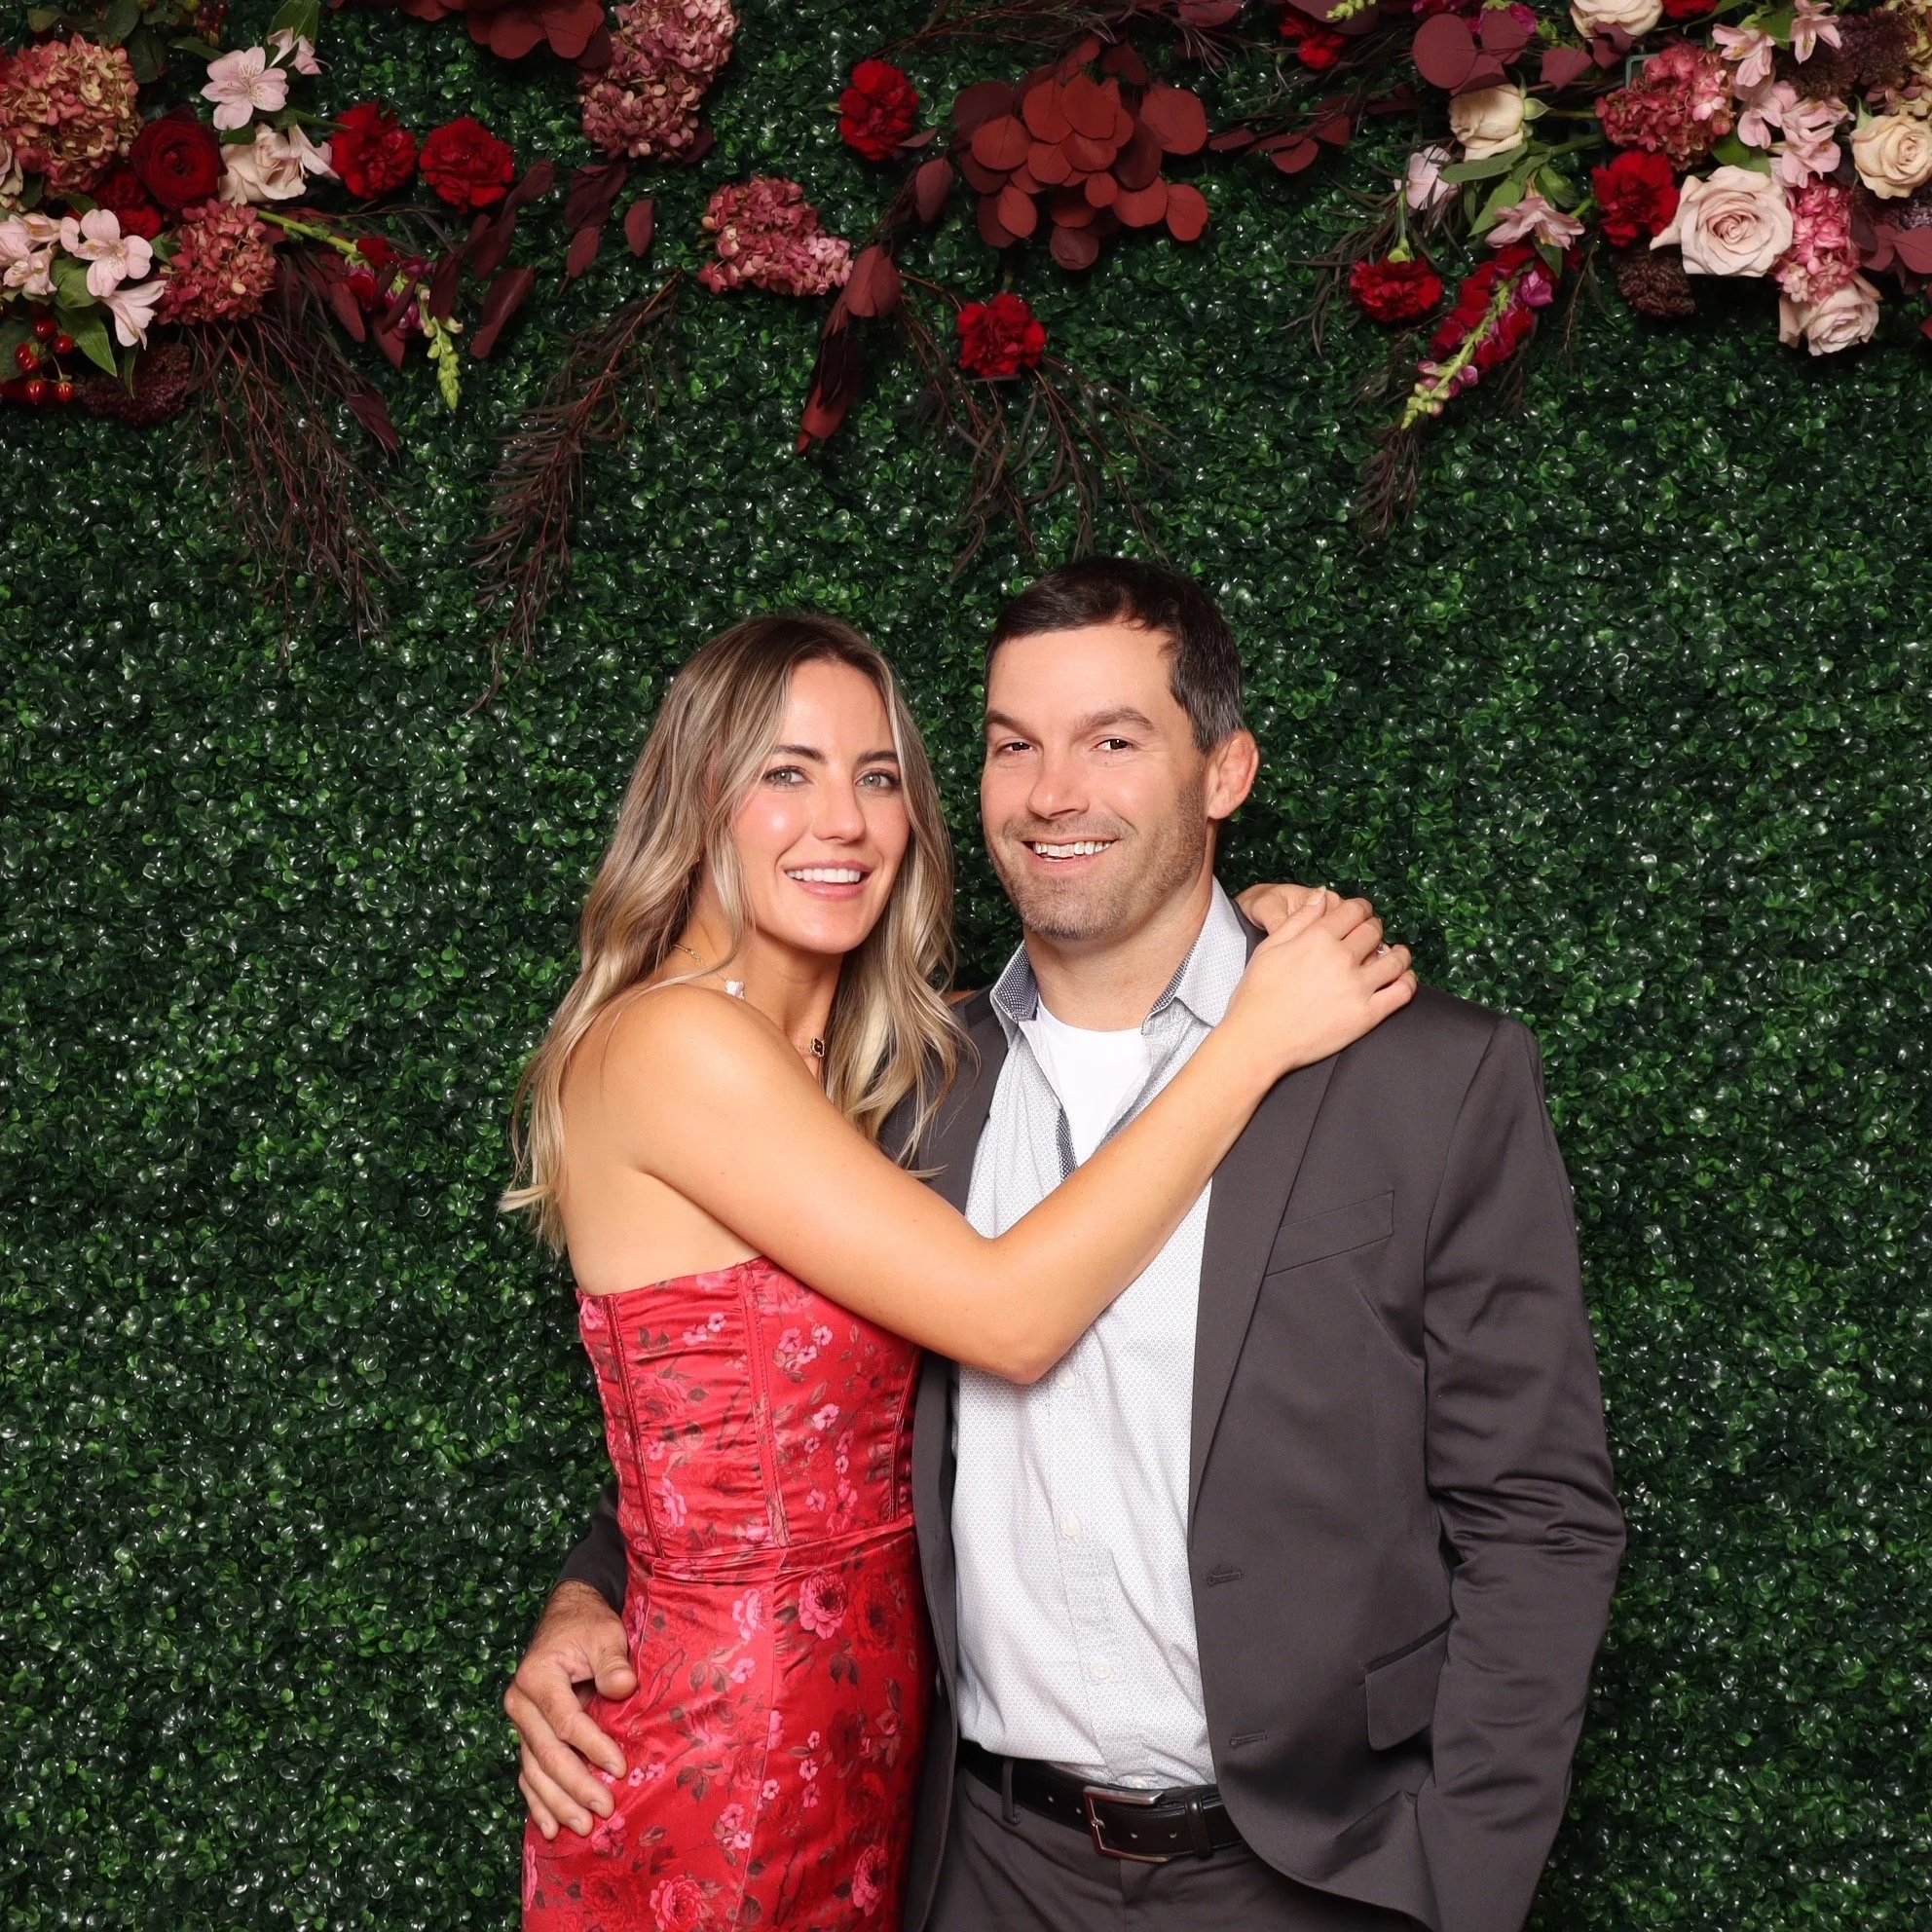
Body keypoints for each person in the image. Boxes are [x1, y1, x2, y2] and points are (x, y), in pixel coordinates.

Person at [500, 608, 1415, 1932]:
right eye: (785, 772)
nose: (844, 821)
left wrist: (1232, 935)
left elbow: (740, 1422)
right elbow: (1009, 1315)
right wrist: (1251, 1037)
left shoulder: (879, 1070)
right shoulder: (677, 1048)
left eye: (877, 776)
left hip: (876, 1753)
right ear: (699, 800)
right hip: (728, 1751)